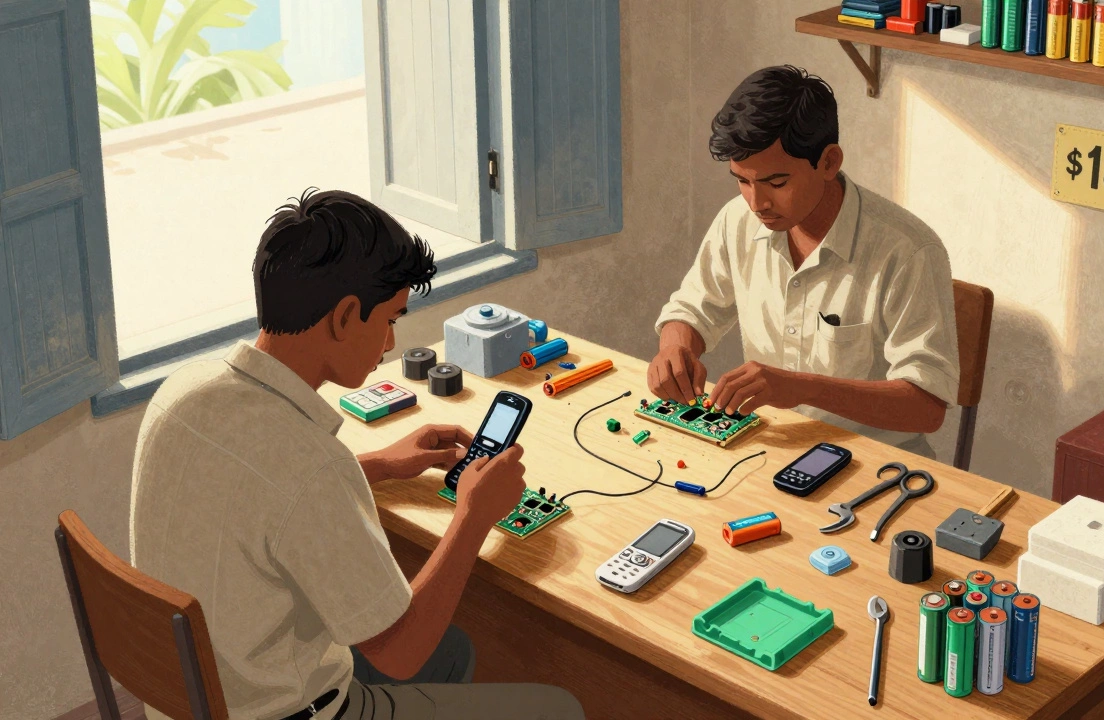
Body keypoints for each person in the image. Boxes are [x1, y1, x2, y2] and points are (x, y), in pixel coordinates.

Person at [130, 189, 584, 720]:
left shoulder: (183, 392)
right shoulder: (310, 464)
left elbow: (261, 501)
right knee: (559, 709)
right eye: (390, 319)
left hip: (190, 697)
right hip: (295, 711)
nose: (391, 344)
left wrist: (380, 464)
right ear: (345, 317)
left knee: (456, 650)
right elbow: (402, 653)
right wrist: (473, 514)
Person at [650, 65, 961, 459]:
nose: (757, 203)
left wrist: (805, 388)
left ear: (828, 162)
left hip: (877, 465)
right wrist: (674, 349)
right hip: (770, 450)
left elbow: (926, 405)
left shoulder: (908, 251)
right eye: (742, 181)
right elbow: (693, 310)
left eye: (776, 183)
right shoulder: (737, 220)